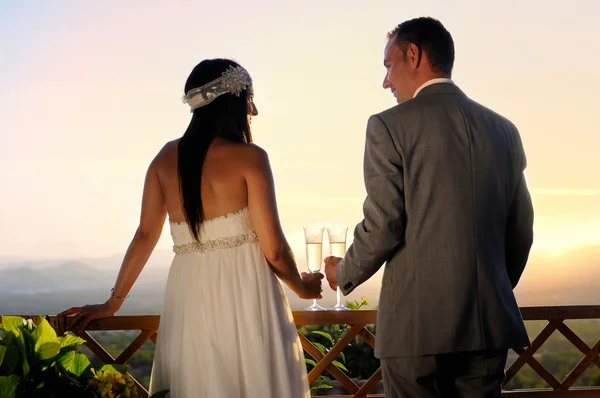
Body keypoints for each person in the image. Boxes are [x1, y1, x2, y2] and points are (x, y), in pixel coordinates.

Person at [60, 58, 321, 398]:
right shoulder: (251, 158)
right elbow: (273, 248)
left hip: (189, 299)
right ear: (231, 101)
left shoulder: (164, 159)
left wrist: (113, 303)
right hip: (246, 295)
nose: (253, 111)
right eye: (249, 98)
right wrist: (301, 287)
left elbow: (144, 236)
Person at [324, 17, 534, 398]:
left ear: (414, 54)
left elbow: (384, 223)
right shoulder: (504, 130)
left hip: (416, 327)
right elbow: (521, 229)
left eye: (388, 66)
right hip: (487, 321)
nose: (385, 81)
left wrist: (343, 273)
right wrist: (488, 284)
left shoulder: (388, 127)